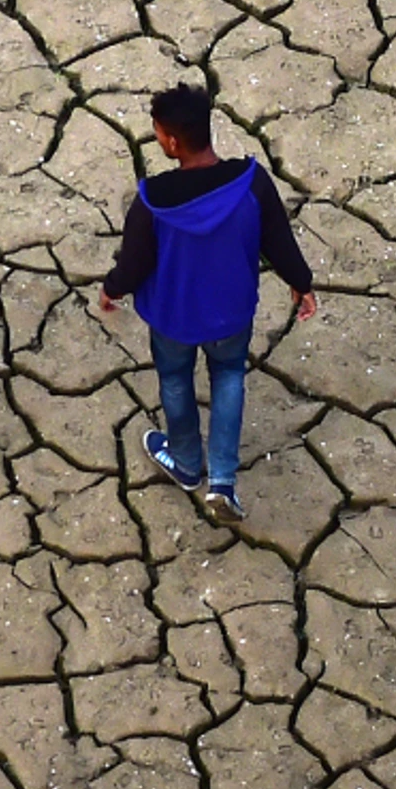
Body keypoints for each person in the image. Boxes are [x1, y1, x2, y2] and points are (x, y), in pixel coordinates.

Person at [100, 82, 316, 524]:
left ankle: (185, 463)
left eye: (158, 133)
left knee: (176, 380)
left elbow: (135, 262)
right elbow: (279, 238)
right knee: (229, 376)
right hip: (230, 312)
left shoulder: (152, 200)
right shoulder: (252, 181)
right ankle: (222, 482)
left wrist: (112, 287)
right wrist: (301, 282)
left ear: (173, 141)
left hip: (173, 318)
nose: (158, 139)